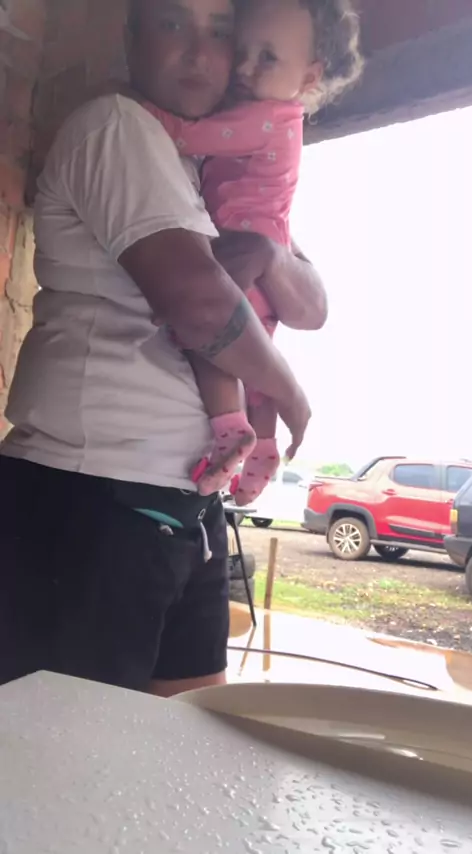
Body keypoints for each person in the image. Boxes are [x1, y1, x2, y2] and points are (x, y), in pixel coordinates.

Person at [0, 0, 327, 696]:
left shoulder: (210, 166)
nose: (202, 53)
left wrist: (271, 252)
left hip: (185, 505)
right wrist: (291, 395)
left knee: (186, 733)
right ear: (132, 38)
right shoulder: (117, 127)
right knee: (68, 744)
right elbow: (198, 303)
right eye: (173, 23)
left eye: (221, 31)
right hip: (91, 498)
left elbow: (313, 307)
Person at [144, 0, 363, 505]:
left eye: (267, 57)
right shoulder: (277, 119)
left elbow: (184, 135)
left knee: (210, 340)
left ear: (309, 77)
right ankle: (262, 445)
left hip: (240, 249)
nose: (244, 67)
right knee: (254, 355)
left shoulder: (266, 118)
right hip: (259, 250)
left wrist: (132, 107)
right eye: (241, 50)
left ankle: (231, 430)